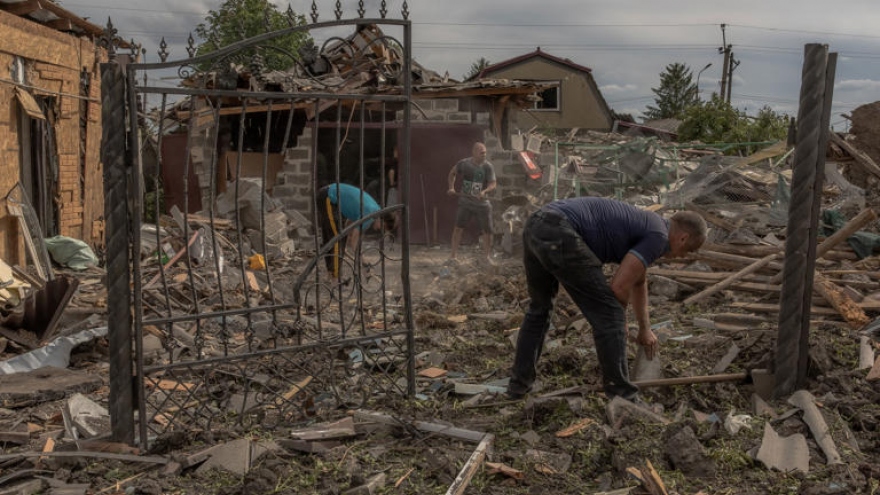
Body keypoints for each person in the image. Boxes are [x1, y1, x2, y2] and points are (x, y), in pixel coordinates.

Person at [507, 197, 707, 402]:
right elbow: (619, 287)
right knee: (610, 315)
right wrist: (620, 322)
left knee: (540, 309)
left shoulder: (651, 224)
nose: (683, 257)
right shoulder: (658, 237)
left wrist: (645, 328)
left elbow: (638, 281)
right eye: (688, 251)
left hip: (537, 224)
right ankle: (623, 397)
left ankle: (517, 388)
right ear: (683, 238)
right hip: (561, 230)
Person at [316, 183, 395, 279]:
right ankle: (334, 278)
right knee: (337, 239)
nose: (379, 229)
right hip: (328, 196)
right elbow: (354, 243)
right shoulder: (370, 214)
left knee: (333, 238)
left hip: (327, 194)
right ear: (382, 220)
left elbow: (352, 217)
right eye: (382, 227)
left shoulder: (375, 209)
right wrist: (364, 262)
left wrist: (349, 235)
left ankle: (330, 274)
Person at [447, 142, 496, 263]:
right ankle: (453, 256)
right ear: (474, 152)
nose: (484, 155)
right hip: (466, 201)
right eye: (482, 153)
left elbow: (493, 183)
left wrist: (485, 191)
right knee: (458, 228)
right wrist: (451, 187)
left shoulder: (488, 167)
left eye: (485, 152)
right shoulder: (464, 164)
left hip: (482, 203)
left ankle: (487, 257)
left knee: (487, 231)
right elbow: (452, 173)